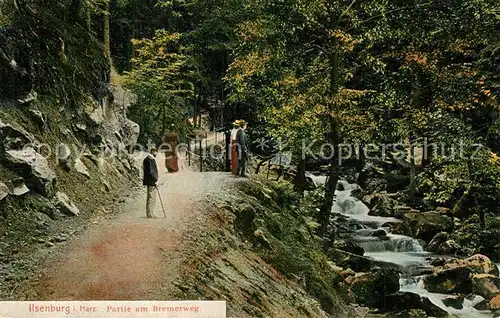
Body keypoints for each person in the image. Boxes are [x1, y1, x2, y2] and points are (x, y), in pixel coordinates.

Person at [143, 146, 158, 218]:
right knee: (152, 197)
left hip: (147, 180)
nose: (156, 153)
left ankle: (149, 213)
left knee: (149, 196)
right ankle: (150, 214)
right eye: (155, 152)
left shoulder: (146, 159)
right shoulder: (151, 159)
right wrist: (155, 180)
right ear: (152, 152)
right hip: (151, 181)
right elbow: (152, 172)